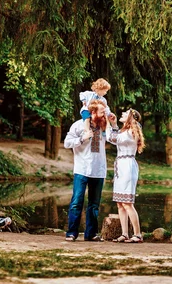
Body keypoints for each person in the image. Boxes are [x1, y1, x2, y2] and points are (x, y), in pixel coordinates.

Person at [63, 99, 109, 242]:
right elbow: (67, 143)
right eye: (102, 112)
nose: (104, 114)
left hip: (99, 170)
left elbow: (114, 138)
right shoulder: (78, 125)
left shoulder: (104, 127)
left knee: (94, 205)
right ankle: (71, 233)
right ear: (93, 112)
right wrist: (83, 138)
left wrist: (112, 123)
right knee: (77, 201)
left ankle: (91, 234)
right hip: (82, 169)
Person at [108, 108, 145, 243]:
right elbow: (117, 136)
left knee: (127, 203)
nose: (122, 114)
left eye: (125, 113)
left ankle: (137, 234)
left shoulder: (131, 131)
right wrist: (113, 125)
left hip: (128, 166)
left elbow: (113, 138)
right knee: (120, 203)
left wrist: (108, 124)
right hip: (121, 166)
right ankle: (124, 234)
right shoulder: (126, 130)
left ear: (131, 117)